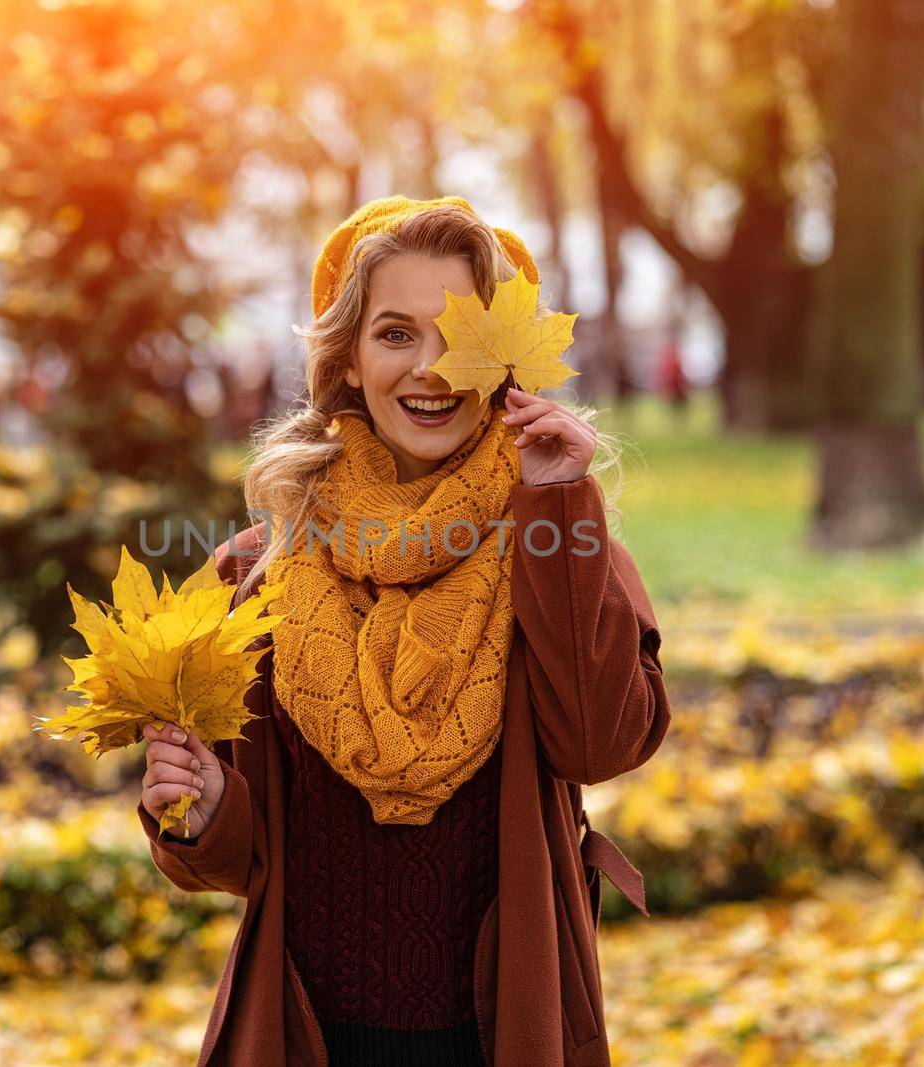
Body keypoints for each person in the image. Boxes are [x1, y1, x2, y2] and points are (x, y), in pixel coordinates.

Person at [136, 195, 671, 1067]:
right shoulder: (256, 572)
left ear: (504, 360)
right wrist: (199, 807)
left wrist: (561, 504)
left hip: (503, 1033)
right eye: (394, 334)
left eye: (459, 335)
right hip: (307, 1035)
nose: (432, 368)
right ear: (347, 358)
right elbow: (235, 856)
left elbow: (599, 743)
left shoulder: (558, 539)